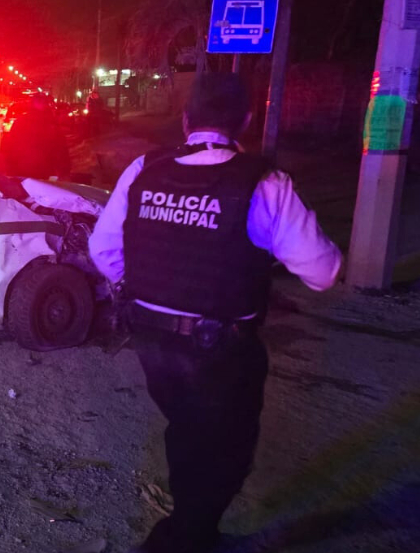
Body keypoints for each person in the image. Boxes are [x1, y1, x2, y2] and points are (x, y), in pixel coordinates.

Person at [88, 73, 342, 553]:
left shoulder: (144, 168)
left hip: (151, 338)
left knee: (185, 427)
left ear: (186, 120)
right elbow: (324, 272)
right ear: (245, 121)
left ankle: (190, 522)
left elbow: (103, 248)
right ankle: (184, 538)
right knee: (227, 446)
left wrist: (138, 288)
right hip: (219, 350)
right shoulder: (264, 183)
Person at [0, 93, 69, 180]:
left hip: (29, 169)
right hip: (40, 170)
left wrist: (9, 169)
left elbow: (9, 147)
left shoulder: (22, 122)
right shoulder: (50, 123)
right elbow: (61, 148)